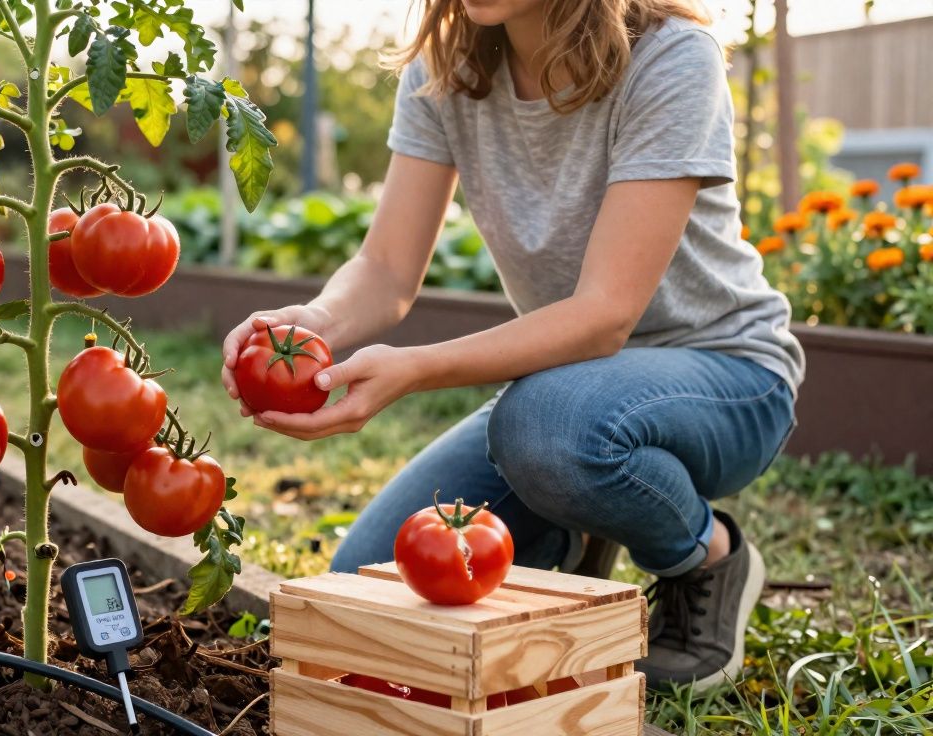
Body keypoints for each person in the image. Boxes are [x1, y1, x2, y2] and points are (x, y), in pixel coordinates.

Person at [220, 0, 803, 691]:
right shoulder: (446, 69)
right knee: (369, 585)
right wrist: (314, 321)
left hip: (727, 375)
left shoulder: (670, 56)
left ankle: (708, 556)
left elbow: (604, 316)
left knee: (542, 427)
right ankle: (579, 525)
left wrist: (416, 369)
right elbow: (386, 270)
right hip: (571, 384)